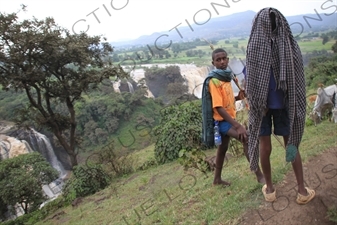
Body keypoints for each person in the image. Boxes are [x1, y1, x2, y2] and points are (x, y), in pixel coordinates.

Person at [245, 7, 315, 204]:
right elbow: (297, 79)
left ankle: (270, 188)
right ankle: (301, 190)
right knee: (291, 143)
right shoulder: (289, 45)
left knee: (264, 147)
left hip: (261, 107)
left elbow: (249, 79)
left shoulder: (254, 46)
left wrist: (257, 100)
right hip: (285, 103)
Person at [207, 48, 264, 187]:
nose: (221, 62)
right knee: (247, 138)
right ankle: (259, 175)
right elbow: (218, 107)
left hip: (227, 119)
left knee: (222, 149)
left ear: (227, 60)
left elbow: (226, 100)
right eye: (218, 60)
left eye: (224, 58)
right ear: (213, 62)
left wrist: (239, 97)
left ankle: (217, 180)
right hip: (221, 121)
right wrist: (238, 126)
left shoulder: (226, 77)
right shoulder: (214, 81)